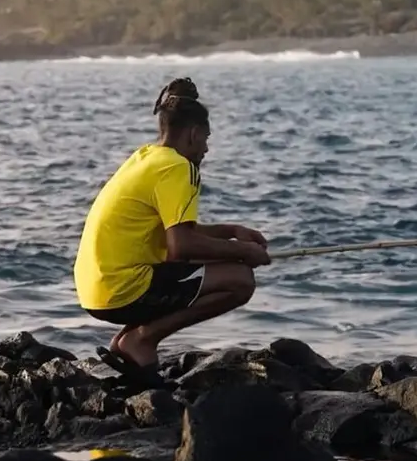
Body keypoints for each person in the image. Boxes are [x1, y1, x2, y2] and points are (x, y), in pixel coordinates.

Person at [73, 77, 270, 377]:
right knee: (240, 279)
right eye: (206, 137)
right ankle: (142, 339)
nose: (206, 148)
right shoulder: (180, 167)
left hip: (94, 289)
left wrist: (231, 231)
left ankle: (126, 340)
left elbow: (176, 232)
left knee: (209, 263)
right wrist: (243, 252)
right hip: (121, 290)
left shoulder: (145, 157)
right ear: (193, 134)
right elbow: (181, 246)